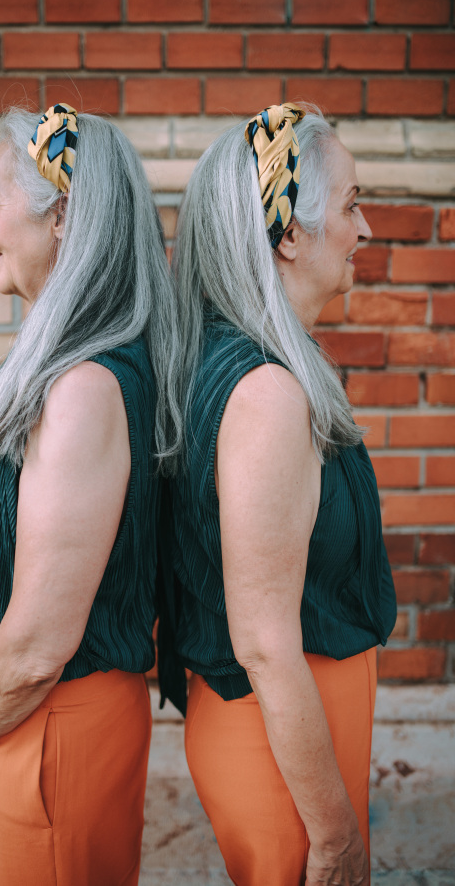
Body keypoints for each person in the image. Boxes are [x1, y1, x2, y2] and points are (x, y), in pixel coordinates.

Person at [0, 103, 182, 886]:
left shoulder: (85, 390)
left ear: (62, 215)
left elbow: (37, 646)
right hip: (27, 723)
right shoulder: (56, 368)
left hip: (54, 731)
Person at [166, 103, 397, 885]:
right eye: (352, 204)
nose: (364, 230)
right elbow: (266, 641)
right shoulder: (265, 392)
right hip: (281, 757)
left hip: (291, 736)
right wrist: (334, 837)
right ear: (289, 235)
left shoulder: (263, 365)